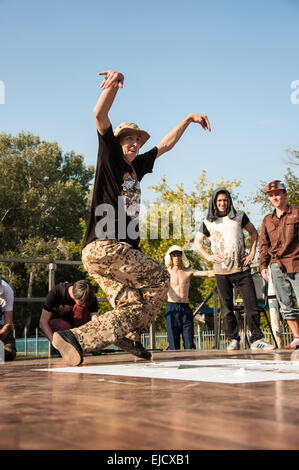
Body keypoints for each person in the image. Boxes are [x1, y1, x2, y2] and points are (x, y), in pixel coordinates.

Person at [52, 69, 211, 366]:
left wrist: (188, 119)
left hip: (104, 255)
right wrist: (114, 85)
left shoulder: (138, 165)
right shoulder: (110, 155)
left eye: (137, 140)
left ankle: (84, 338)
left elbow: (165, 145)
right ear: (119, 141)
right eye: (129, 139)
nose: (134, 143)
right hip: (106, 245)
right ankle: (129, 332)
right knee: (161, 277)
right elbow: (99, 115)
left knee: (132, 305)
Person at [194, 187, 275, 351]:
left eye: (225, 200)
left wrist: (253, 252)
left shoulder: (239, 217)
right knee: (226, 308)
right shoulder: (208, 222)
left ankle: (256, 340)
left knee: (251, 304)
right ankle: (233, 339)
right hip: (221, 271)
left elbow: (253, 232)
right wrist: (209, 257)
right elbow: (197, 243)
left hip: (242, 268)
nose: (222, 203)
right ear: (214, 203)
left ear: (229, 201)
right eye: (219, 201)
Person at [259, 180, 299, 349]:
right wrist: (262, 266)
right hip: (276, 266)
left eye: (277, 193)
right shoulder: (267, 220)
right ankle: (297, 337)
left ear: (285, 194)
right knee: (285, 304)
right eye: (271, 195)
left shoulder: (296, 213)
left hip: (296, 262)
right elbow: (263, 244)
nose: (275, 197)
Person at [164, 245, 214, 350]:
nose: (177, 258)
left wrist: (225, 270)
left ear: (182, 257)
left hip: (185, 308)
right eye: (174, 256)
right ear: (171, 258)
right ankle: (174, 362)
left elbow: (208, 273)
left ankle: (191, 362)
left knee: (189, 342)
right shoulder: (165, 273)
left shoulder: (188, 272)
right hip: (172, 307)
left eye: (178, 255)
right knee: (173, 342)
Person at [39, 280, 99, 347]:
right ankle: (65, 344)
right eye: (83, 303)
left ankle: (79, 340)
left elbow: (95, 319)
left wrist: (96, 339)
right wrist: (54, 343)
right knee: (64, 326)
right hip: (56, 323)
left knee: (81, 309)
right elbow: (43, 322)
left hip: (73, 325)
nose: (85, 305)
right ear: (75, 297)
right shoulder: (57, 292)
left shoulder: (89, 294)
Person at [0, 276, 16, 361]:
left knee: (9, 352)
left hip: (1, 329)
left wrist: (2, 332)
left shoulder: (7, 291)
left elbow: (8, 324)